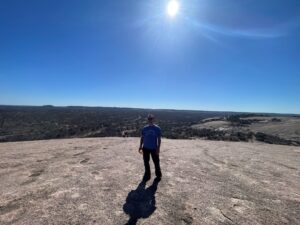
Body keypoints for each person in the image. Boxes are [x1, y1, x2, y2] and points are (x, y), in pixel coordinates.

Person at [139, 114, 162, 182]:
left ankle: (158, 174)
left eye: (151, 119)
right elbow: (142, 137)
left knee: (156, 162)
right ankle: (147, 175)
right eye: (149, 119)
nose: (150, 120)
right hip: (145, 148)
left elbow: (159, 139)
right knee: (146, 162)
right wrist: (140, 146)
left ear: (154, 119)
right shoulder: (144, 128)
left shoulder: (157, 128)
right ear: (147, 120)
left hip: (154, 148)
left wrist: (158, 148)